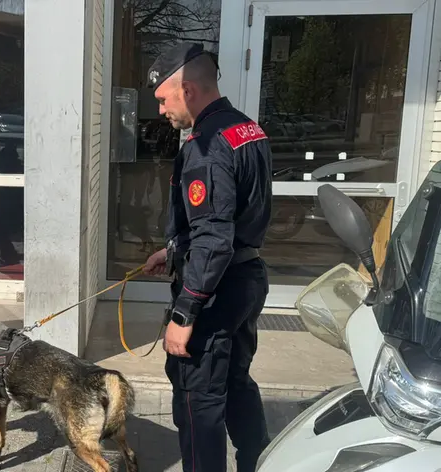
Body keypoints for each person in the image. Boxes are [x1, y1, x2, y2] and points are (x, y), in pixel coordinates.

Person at [142, 43, 272, 472]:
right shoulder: (247, 129)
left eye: (164, 99)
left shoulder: (205, 145)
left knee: (198, 402)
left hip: (216, 292)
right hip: (246, 277)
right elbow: (228, 222)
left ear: (190, 89)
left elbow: (215, 238)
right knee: (235, 383)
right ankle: (259, 463)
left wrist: (185, 313)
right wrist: (174, 249)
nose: (161, 110)